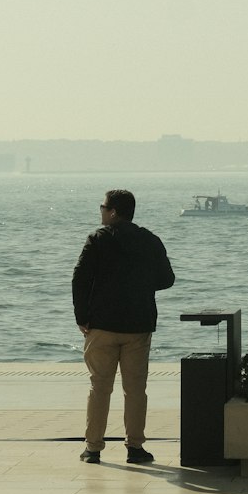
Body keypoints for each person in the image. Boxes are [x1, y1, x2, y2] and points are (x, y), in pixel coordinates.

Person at [72, 188, 175, 464]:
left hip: (101, 326)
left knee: (99, 387)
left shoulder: (97, 240)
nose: (101, 211)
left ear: (113, 211)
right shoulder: (150, 241)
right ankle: (135, 447)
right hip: (138, 326)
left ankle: (93, 448)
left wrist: (82, 317)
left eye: (103, 206)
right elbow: (167, 279)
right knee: (136, 389)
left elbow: (79, 279)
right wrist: (139, 286)